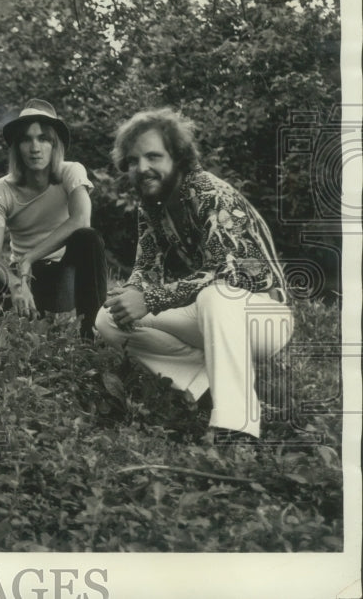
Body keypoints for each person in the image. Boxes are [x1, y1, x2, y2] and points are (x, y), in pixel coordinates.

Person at [95, 108, 292, 441]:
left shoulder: (210, 193)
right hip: (210, 316)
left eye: (153, 156)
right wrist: (129, 294)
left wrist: (152, 298)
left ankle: (236, 428)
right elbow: (145, 268)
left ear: (178, 156)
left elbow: (225, 271)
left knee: (217, 294)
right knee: (108, 318)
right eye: (133, 160)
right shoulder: (152, 206)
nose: (142, 168)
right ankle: (205, 387)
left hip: (263, 317)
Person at [0, 100, 107, 339]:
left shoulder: (71, 171)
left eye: (43, 139)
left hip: (66, 276)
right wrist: (16, 283)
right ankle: (14, 323)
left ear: (55, 145)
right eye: (26, 139)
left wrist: (29, 258)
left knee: (88, 237)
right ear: (16, 146)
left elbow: (81, 219)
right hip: (26, 279)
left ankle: (92, 334)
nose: (35, 147)